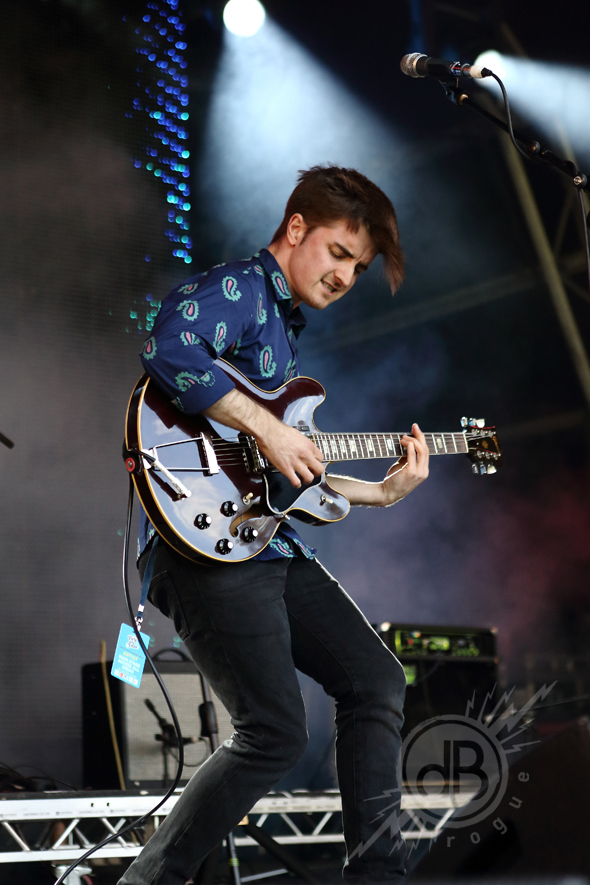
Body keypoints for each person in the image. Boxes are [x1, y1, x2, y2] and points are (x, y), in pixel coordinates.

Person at [119, 165, 429, 885]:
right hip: (203, 545)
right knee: (276, 731)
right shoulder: (240, 290)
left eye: (359, 266)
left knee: (375, 678)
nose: (346, 276)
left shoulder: (282, 336)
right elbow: (169, 348)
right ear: (295, 229)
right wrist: (268, 427)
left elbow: (281, 474)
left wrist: (380, 493)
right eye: (339, 252)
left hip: (261, 537)